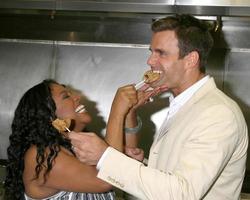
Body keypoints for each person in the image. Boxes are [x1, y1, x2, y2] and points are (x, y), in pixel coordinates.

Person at [68, 14, 249, 200]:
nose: (150, 61)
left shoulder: (217, 113)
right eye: (151, 52)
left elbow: (182, 193)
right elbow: (174, 176)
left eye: (161, 53)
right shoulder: (186, 105)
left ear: (191, 60)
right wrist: (139, 165)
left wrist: (105, 157)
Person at [4, 79, 149, 200]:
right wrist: (117, 111)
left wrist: (129, 112)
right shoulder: (43, 156)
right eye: (66, 96)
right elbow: (107, 179)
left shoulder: (81, 148)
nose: (77, 97)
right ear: (49, 116)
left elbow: (122, 169)